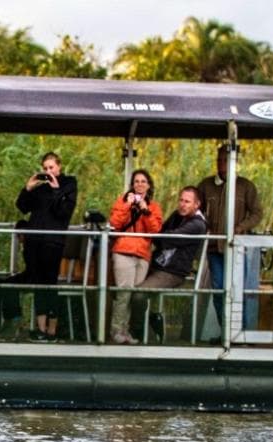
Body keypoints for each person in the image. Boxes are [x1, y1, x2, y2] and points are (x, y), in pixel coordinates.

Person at [0, 152, 78, 342]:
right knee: (36, 281)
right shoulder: (40, 189)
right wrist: (28, 187)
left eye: (51, 168)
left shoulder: (68, 184)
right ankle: (40, 329)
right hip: (34, 241)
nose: (49, 172)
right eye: (45, 169)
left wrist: (57, 189)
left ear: (59, 166)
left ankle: (51, 330)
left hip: (53, 241)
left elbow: (64, 212)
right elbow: (22, 206)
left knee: (48, 282)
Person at [197, 144, 263, 330]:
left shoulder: (245, 186)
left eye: (226, 160)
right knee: (219, 290)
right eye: (219, 160)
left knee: (237, 291)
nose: (221, 164)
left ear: (234, 162)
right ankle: (225, 331)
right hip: (214, 248)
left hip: (236, 248)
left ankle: (239, 333)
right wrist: (204, 229)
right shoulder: (206, 185)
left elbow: (257, 213)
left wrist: (241, 228)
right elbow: (197, 212)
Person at [132, 186, 207, 343]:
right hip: (156, 263)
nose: (182, 204)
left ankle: (140, 334)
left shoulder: (198, 224)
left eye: (187, 201)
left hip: (173, 272)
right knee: (123, 286)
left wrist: (160, 236)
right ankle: (136, 326)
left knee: (139, 295)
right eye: (181, 200)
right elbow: (159, 234)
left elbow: (170, 238)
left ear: (197, 204)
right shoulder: (177, 215)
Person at [108, 169, 163, 344]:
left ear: (149, 185)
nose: (139, 184)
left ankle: (127, 331)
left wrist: (145, 211)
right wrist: (127, 205)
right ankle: (117, 330)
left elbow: (155, 230)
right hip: (124, 250)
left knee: (134, 295)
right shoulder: (121, 202)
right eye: (136, 181)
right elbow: (115, 224)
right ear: (132, 185)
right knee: (124, 292)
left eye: (143, 181)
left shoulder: (154, 207)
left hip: (142, 254)